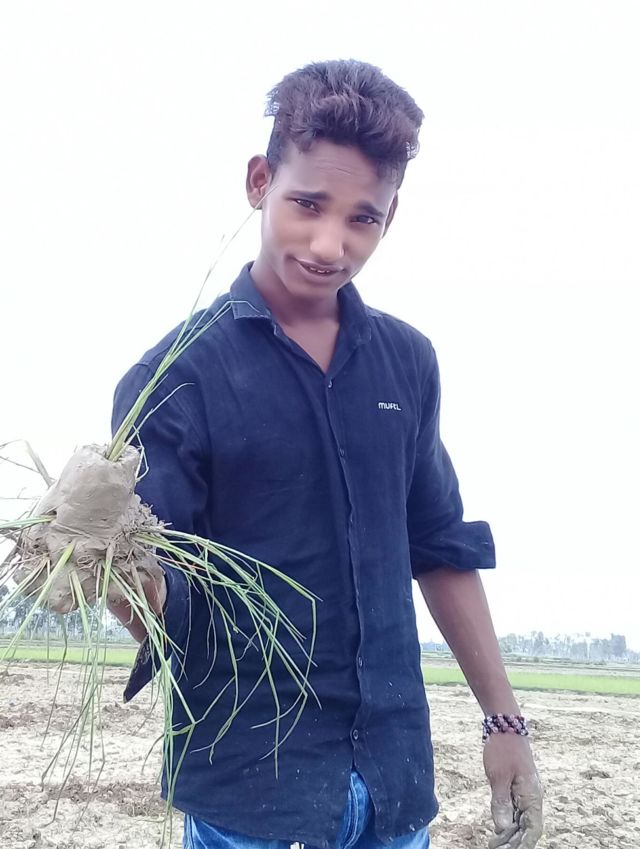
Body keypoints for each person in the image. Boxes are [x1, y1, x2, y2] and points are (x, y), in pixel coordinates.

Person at [110, 60, 543, 849]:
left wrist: (504, 721)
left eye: (362, 218)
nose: (329, 244)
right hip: (251, 796)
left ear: (391, 216)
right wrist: (105, 564)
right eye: (307, 204)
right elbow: (159, 594)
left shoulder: (406, 363)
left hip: (393, 792)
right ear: (259, 182)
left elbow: (438, 545)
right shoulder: (174, 378)